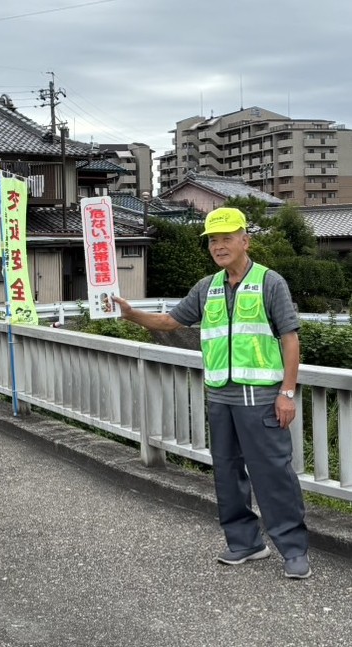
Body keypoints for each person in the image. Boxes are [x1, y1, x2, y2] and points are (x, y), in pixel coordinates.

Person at [111, 207, 310, 580]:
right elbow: (170, 321)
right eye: (213, 240)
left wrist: (287, 392)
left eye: (226, 238)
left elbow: (290, 338)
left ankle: (294, 549)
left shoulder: (271, 283)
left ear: (244, 241)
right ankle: (246, 543)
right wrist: (131, 314)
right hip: (220, 396)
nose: (219, 246)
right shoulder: (207, 287)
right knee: (227, 472)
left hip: (262, 399)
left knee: (273, 475)